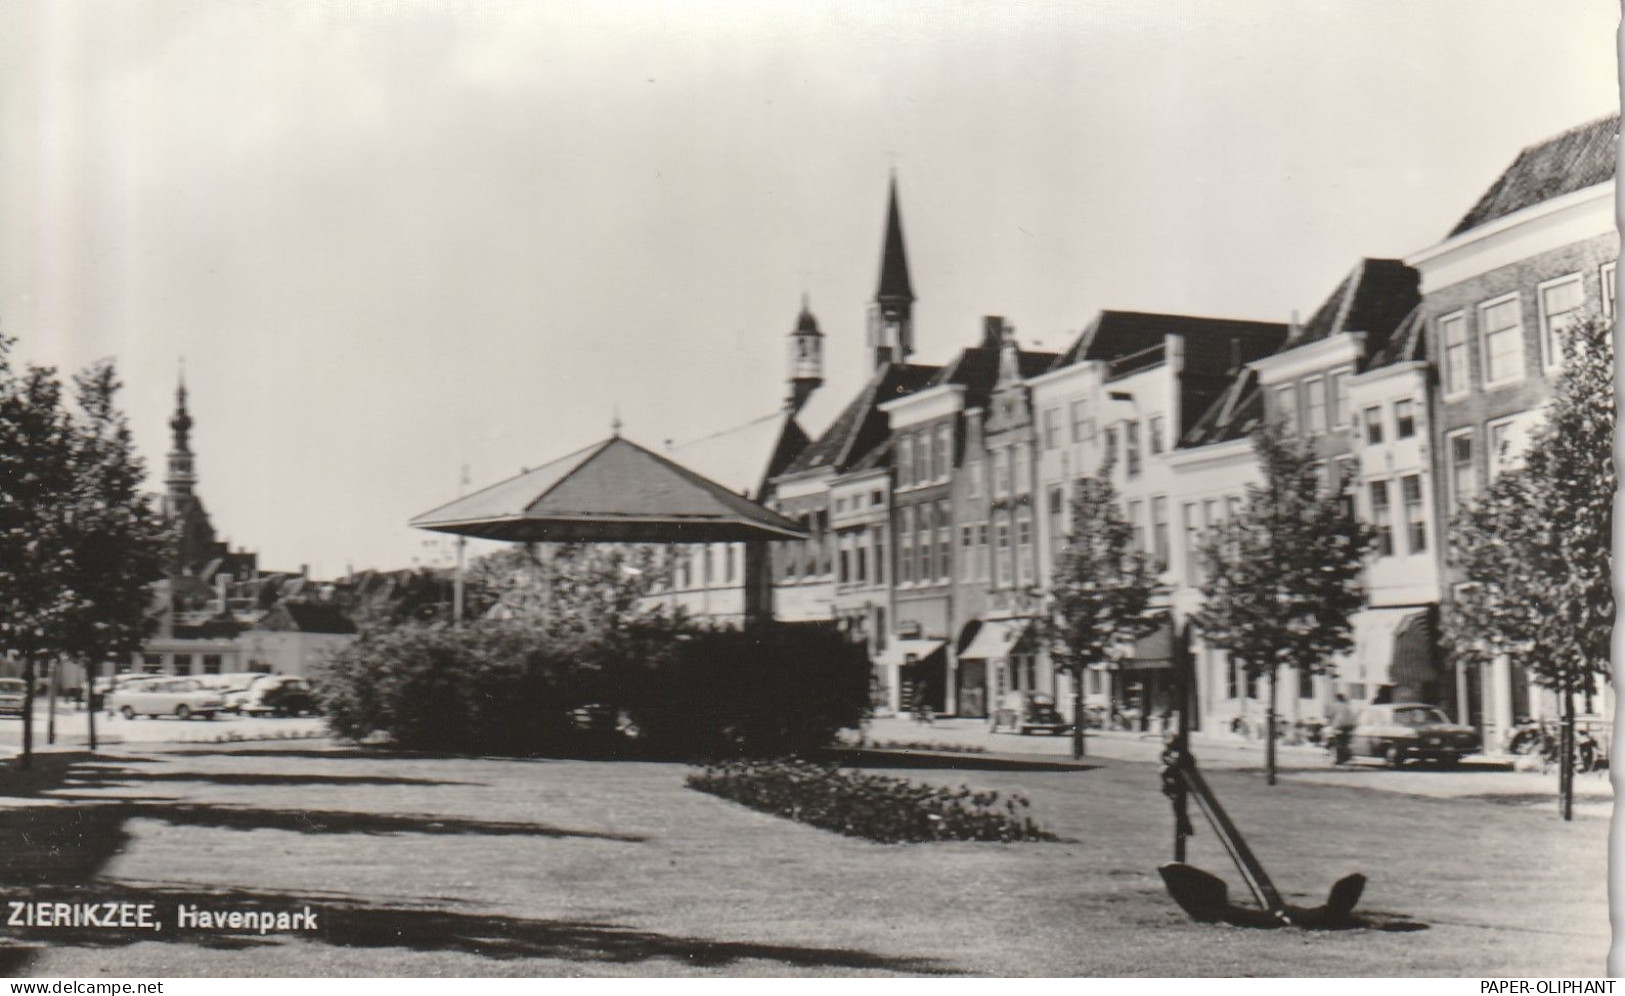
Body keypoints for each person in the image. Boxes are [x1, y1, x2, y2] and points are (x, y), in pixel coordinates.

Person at [1327, 693, 1358, 765]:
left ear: (1337, 699)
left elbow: (1330, 715)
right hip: (1350, 726)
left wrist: (1330, 724)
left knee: (1338, 741)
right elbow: (1353, 716)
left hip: (1340, 725)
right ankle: (1347, 756)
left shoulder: (1335, 705)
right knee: (1346, 741)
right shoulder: (1348, 706)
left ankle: (1340, 758)